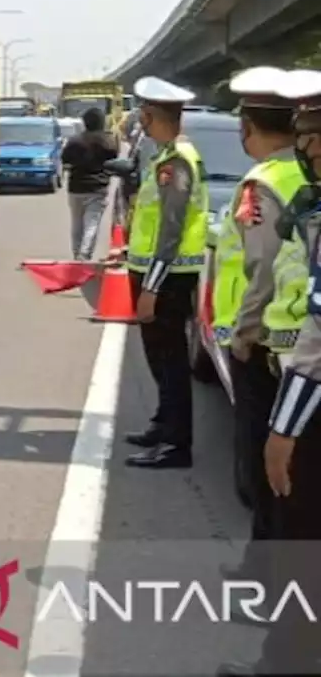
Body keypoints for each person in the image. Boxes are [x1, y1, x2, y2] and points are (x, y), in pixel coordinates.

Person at [219, 68, 321, 677]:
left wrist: (283, 429)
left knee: (299, 536)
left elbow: (316, 330)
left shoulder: (266, 182)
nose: (305, 146)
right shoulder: (302, 191)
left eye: (314, 133)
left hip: (299, 381)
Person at [210, 67, 307, 602]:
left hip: (273, 347)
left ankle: (268, 587)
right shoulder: (304, 175)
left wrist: (242, 338)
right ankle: (262, 575)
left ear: (248, 127)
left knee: (266, 473)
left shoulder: (264, 183)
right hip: (299, 347)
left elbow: (262, 270)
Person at [119, 76, 209, 469]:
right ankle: (162, 424)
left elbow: (171, 230)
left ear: (150, 114)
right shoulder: (164, 156)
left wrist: (151, 288)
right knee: (157, 357)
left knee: (170, 362)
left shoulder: (176, 163)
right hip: (153, 271)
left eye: (143, 113)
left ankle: (176, 445)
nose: (140, 120)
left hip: (168, 278)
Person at [61, 107, 118, 260]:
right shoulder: (109, 142)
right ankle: (84, 254)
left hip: (76, 188)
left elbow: (65, 161)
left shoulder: (74, 141)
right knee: (92, 223)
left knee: (77, 224)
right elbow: (114, 163)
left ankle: (76, 253)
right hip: (98, 188)